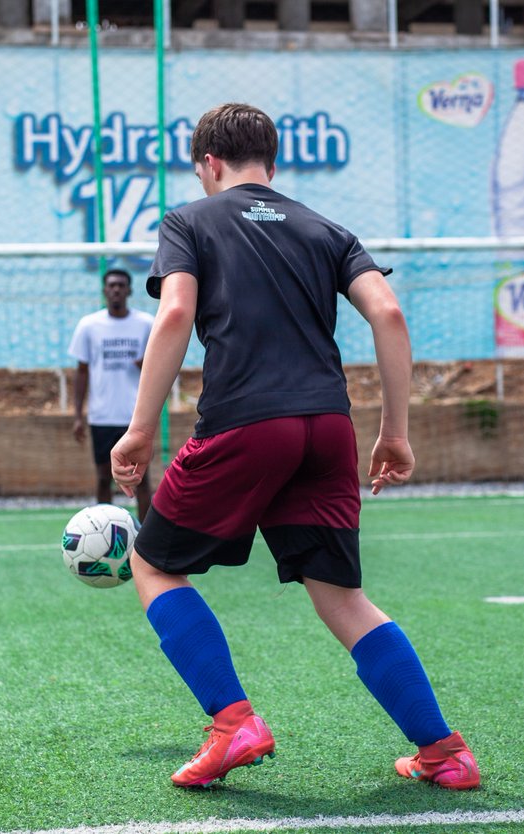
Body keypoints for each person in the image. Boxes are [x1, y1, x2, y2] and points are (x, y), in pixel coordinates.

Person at [110, 104, 479, 790]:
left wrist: (137, 429)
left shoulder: (189, 220)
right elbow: (389, 315)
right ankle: (445, 752)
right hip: (328, 427)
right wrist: (394, 433)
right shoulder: (327, 229)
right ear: (271, 168)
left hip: (246, 421)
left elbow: (176, 313)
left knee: (152, 563)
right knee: (341, 595)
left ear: (208, 165)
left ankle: (232, 723)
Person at [68, 268, 155, 522]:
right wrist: (77, 415)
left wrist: (147, 363)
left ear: (129, 290)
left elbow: (160, 363)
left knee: (141, 478)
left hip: (136, 415)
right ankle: (103, 532)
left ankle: (145, 538)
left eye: (121, 285)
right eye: (111, 285)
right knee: (104, 476)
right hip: (102, 415)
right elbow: (82, 371)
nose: (116, 289)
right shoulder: (89, 325)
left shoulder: (146, 324)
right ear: (105, 290)